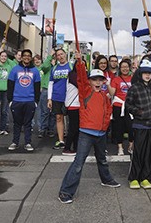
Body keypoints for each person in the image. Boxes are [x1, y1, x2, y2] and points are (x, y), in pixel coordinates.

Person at [58, 54, 120, 204]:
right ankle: (65, 192)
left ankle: (106, 179)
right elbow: (80, 77)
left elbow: (107, 114)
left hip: (101, 134)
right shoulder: (85, 91)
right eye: (94, 79)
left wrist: (104, 128)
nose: (98, 82)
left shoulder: (105, 96)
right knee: (79, 163)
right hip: (86, 133)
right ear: (90, 81)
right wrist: (80, 62)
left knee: (102, 160)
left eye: (100, 80)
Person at [125, 58, 151, 189]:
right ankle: (134, 177)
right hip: (140, 125)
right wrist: (139, 112)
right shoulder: (134, 88)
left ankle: (146, 177)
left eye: (150, 73)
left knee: (150, 153)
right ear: (140, 73)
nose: (147, 75)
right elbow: (128, 105)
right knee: (138, 152)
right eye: (145, 72)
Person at [7, 49, 41, 151]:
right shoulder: (15, 69)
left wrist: (36, 101)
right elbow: (10, 85)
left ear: (31, 58)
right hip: (17, 100)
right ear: (21, 57)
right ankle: (15, 142)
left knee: (28, 123)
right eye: (24, 55)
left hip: (30, 100)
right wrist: (10, 100)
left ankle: (28, 143)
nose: (26, 57)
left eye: (29, 56)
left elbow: (37, 86)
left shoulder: (35, 71)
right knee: (17, 123)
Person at [109, 58, 133, 156]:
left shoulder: (133, 78)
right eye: (122, 67)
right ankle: (120, 147)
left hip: (130, 105)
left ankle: (131, 145)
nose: (125, 69)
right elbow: (112, 93)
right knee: (119, 127)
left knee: (131, 127)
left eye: (126, 67)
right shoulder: (116, 79)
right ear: (120, 68)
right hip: (118, 105)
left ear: (129, 68)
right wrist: (108, 84)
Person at [48, 48, 70, 150]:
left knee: (71, 119)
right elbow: (51, 83)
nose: (60, 56)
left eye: (62, 54)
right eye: (58, 55)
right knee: (58, 118)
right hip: (56, 96)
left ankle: (71, 140)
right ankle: (61, 140)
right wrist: (49, 98)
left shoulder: (71, 66)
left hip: (69, 97)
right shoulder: (54, 68)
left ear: (65, 54)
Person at [61, 58, 80, 156]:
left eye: (84, 65)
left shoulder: (79, 75)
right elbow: (82, 85)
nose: (82, 66)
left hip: (78, 105)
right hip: (73, 105)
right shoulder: (72, 75)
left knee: (76, 128)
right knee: (73, 128)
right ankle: (67, 148)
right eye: (79, 64)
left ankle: (75, 147)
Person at [34, 54, 54, 138]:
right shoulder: (47, 66)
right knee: (44, 111)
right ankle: (42, 129)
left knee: (53, 112)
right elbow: (44, 66)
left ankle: (50, 129)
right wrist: (50, 56)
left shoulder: (57, 66)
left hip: (55, 90)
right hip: (45, 89)